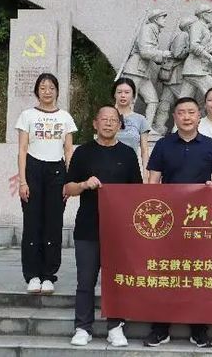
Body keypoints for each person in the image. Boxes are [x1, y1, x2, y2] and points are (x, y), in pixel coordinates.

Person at [144, 96, 212, 349]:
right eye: (181, 113)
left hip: (200, 221)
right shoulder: (163, 145)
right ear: (174, 117)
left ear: (199, 116)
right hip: (167, 221)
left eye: (191, 112)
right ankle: (160, 328)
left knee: (198, 273)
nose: (187, 117)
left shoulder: (211, 145)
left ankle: (199, 329)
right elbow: (153, 181)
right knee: (165, 272)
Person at [64, 105, 143, 347]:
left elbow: (137, 192)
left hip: (119, 230)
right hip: (88, 227)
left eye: (113, 120)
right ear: (95, 124)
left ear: (120, 125)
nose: (108, 123)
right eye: (104, 119)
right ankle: (82, 327)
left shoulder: (128, 154)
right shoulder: (83, 153)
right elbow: (67, 188)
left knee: (116, 280)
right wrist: (84, 184)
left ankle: (115, 327)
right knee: (85, 281)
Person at [15, 73, 77, 295]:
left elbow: (68, 150)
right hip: (33, 169)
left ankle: (49, 275)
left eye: (51, 87)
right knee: (32, 223)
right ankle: (32, 275)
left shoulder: (65, 117)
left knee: (53, 224)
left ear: (57, 91)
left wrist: (69, 180)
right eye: (43, 87)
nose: (47, 91)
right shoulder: (27, 115)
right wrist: (23, 181)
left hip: (57, 171)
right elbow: (22, 149)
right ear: (37, 91)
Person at [121, 9, 172, 125]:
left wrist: (162, 58)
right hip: (134, 70)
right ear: (156, 19)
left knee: (153, 100)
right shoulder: (147, 29)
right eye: (163, 17)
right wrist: (162, 54)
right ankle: (125, 126)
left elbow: (151, 53)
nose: (165, 20)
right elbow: (145, 52)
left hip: (144, 72)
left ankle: (147, 128)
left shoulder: (154, 31)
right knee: (129, 99)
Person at [112, 77, 150, 182]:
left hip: (130, 169)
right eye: (119, 92)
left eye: (127, 92)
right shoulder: (106, 117)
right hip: (108, 168)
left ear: (133, 95)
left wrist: (146, 175)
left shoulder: (140, 119)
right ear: (114, 94)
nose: (123, 95)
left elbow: (144, 151)